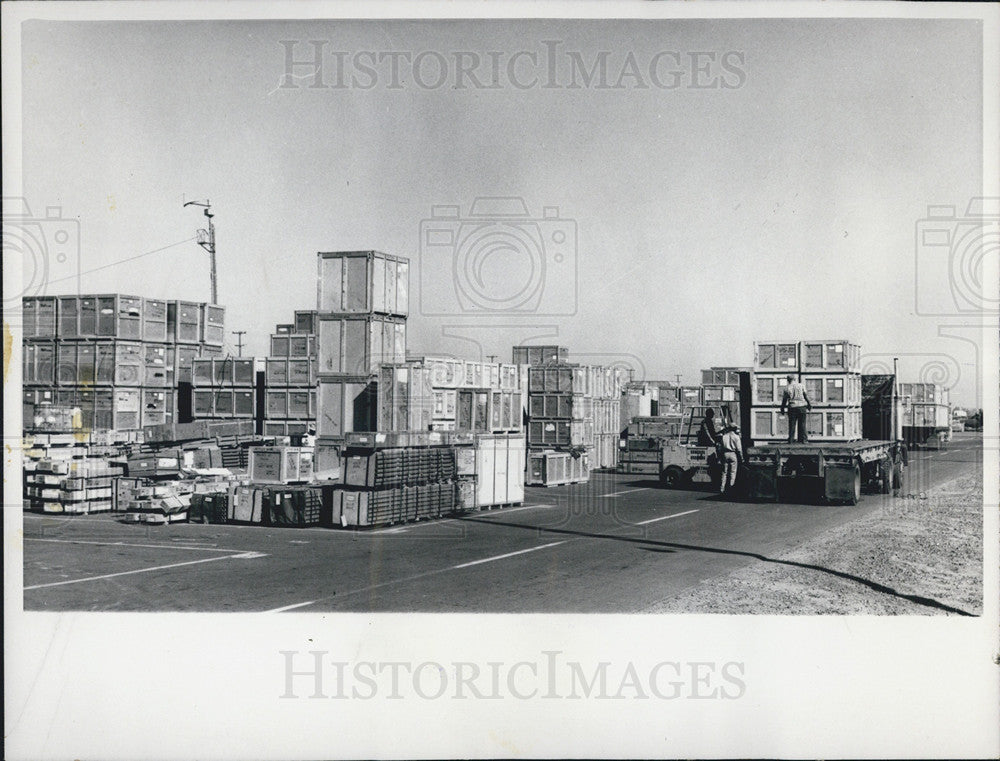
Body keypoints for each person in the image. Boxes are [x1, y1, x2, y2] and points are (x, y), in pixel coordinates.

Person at [780, 374, 812, 443]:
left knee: (792, 424)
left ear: (788, 380)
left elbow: (784, 400)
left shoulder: (786, 388)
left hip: (792, 407)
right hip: (802, 407)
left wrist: (782, 409)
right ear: (795, 379)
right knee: (802, 424)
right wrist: (809, 404)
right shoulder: (801, 385)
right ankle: (804, 440)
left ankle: (791, 440)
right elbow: (806, 396)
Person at [718, 424, 743, 495]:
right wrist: (741, 458)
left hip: (725, 453)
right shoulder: (736, 437)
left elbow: (720, 447)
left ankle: (722, 488)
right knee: (733, 472)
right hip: (733, 454)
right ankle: (731, 487)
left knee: (724, 472)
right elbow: (739, 449)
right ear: (735, 429)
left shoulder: (724, 436)